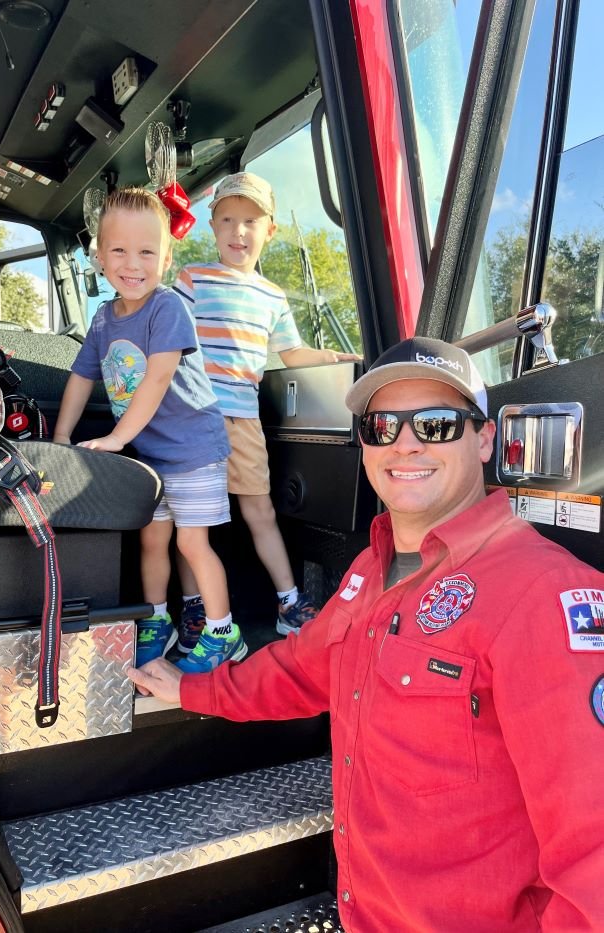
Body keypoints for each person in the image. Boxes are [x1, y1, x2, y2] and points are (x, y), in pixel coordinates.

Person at [128, 336, 604, 931]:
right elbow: (301, 670)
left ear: (484, 439)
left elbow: (595, 854)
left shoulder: (548, 597)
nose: (404, 443)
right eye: (382, 426)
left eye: (434, 424)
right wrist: (193, 690)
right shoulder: (368, 571)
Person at [54, 187, 247, 673]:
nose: (132, 263)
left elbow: (158, 377)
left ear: (166, 256)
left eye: (146, 251)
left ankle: (224, 631)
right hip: (151, 457)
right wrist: (59, 440)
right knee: (152, 541)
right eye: (118, 250)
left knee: (191, 543)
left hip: (193, 449)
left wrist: (118, 438)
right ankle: (157, 621)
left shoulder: (167, 308)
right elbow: (81, 378)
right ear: (99, 256)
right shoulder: (102, 319)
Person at [172, 171, 360, 659]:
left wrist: (335, 359)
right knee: (193, 525)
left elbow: (291, 354)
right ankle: (193, 611)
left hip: (243, 422)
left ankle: (288, 604)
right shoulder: (192, 279)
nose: (238, 232)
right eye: (228, 220)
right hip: (193, 420)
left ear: (269, 231)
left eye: (250, 221)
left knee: (260, 511)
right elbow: (170, 340)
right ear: (211, 228)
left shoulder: (273, 296)